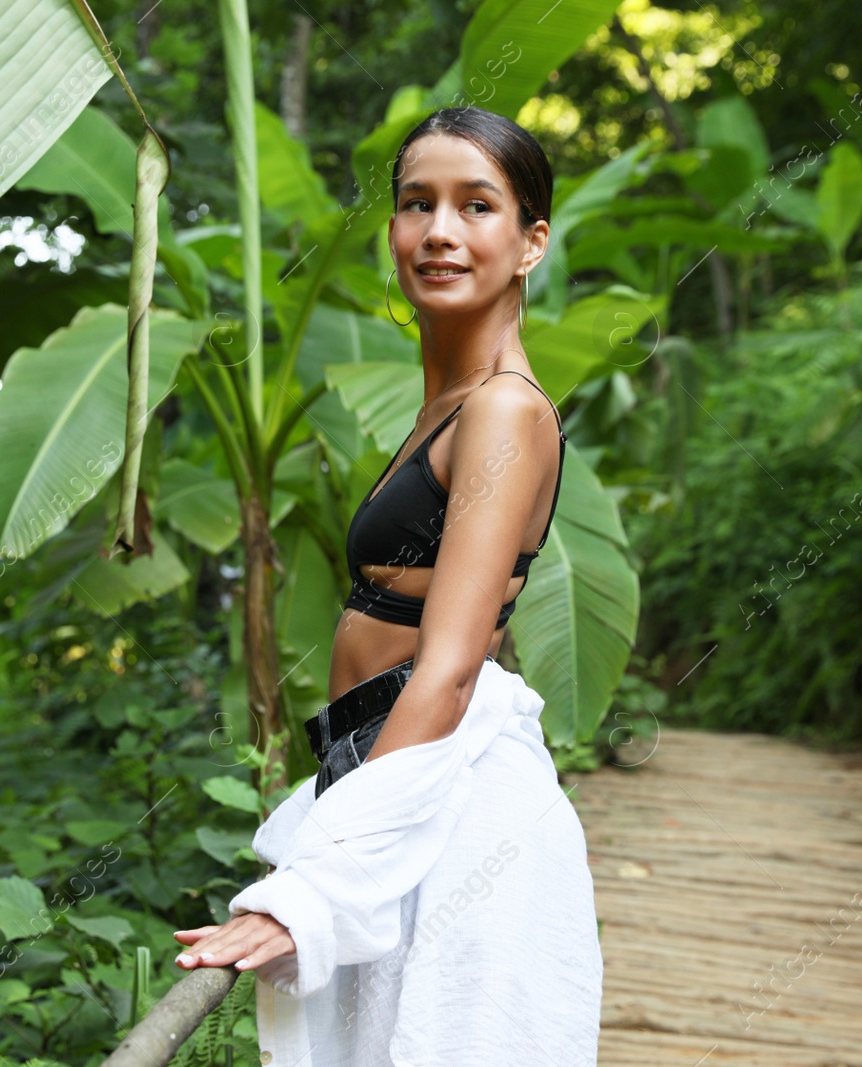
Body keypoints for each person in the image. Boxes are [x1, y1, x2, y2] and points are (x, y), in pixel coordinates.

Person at [172, 106, 603, 1066]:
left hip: (450, 807)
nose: (440, 231)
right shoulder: (446, 405)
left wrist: (319, 885)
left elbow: (448, 667)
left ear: (531, 242)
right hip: (398, 788)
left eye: (476, 205)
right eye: (417, 204)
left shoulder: (502, 410)